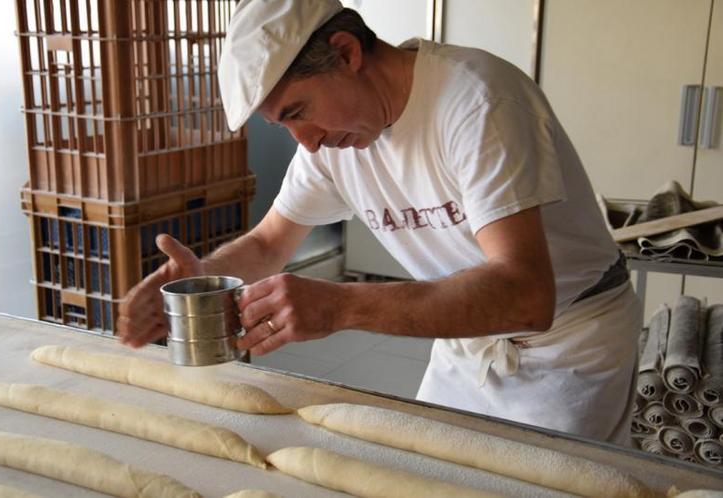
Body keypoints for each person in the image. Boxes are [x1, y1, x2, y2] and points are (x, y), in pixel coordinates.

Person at [118, 0, 642, 444]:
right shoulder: (332, 146)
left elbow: (526, 295)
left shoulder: (477, 102)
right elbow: (270, 243)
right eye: (284, 126)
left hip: (570, 347)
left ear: (347, 53)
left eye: (300, 110)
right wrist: (203, 279)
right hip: (468, 341)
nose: (306, 141)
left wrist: (342, 306)